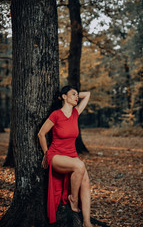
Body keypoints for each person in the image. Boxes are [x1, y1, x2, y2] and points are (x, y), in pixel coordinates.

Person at [38, 85, 93, 227]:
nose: (76, 97)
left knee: (86, 182)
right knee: (80, 165)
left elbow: (87, 94)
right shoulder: (56, 115)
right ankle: (73, 200)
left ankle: (87, 222)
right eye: (73, 94)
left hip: (72, 155)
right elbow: (41, 134)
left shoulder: (76, 113)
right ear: (64, 97)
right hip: (56, 155)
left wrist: (76, 93)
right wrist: (46, 153)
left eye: (76, 95)